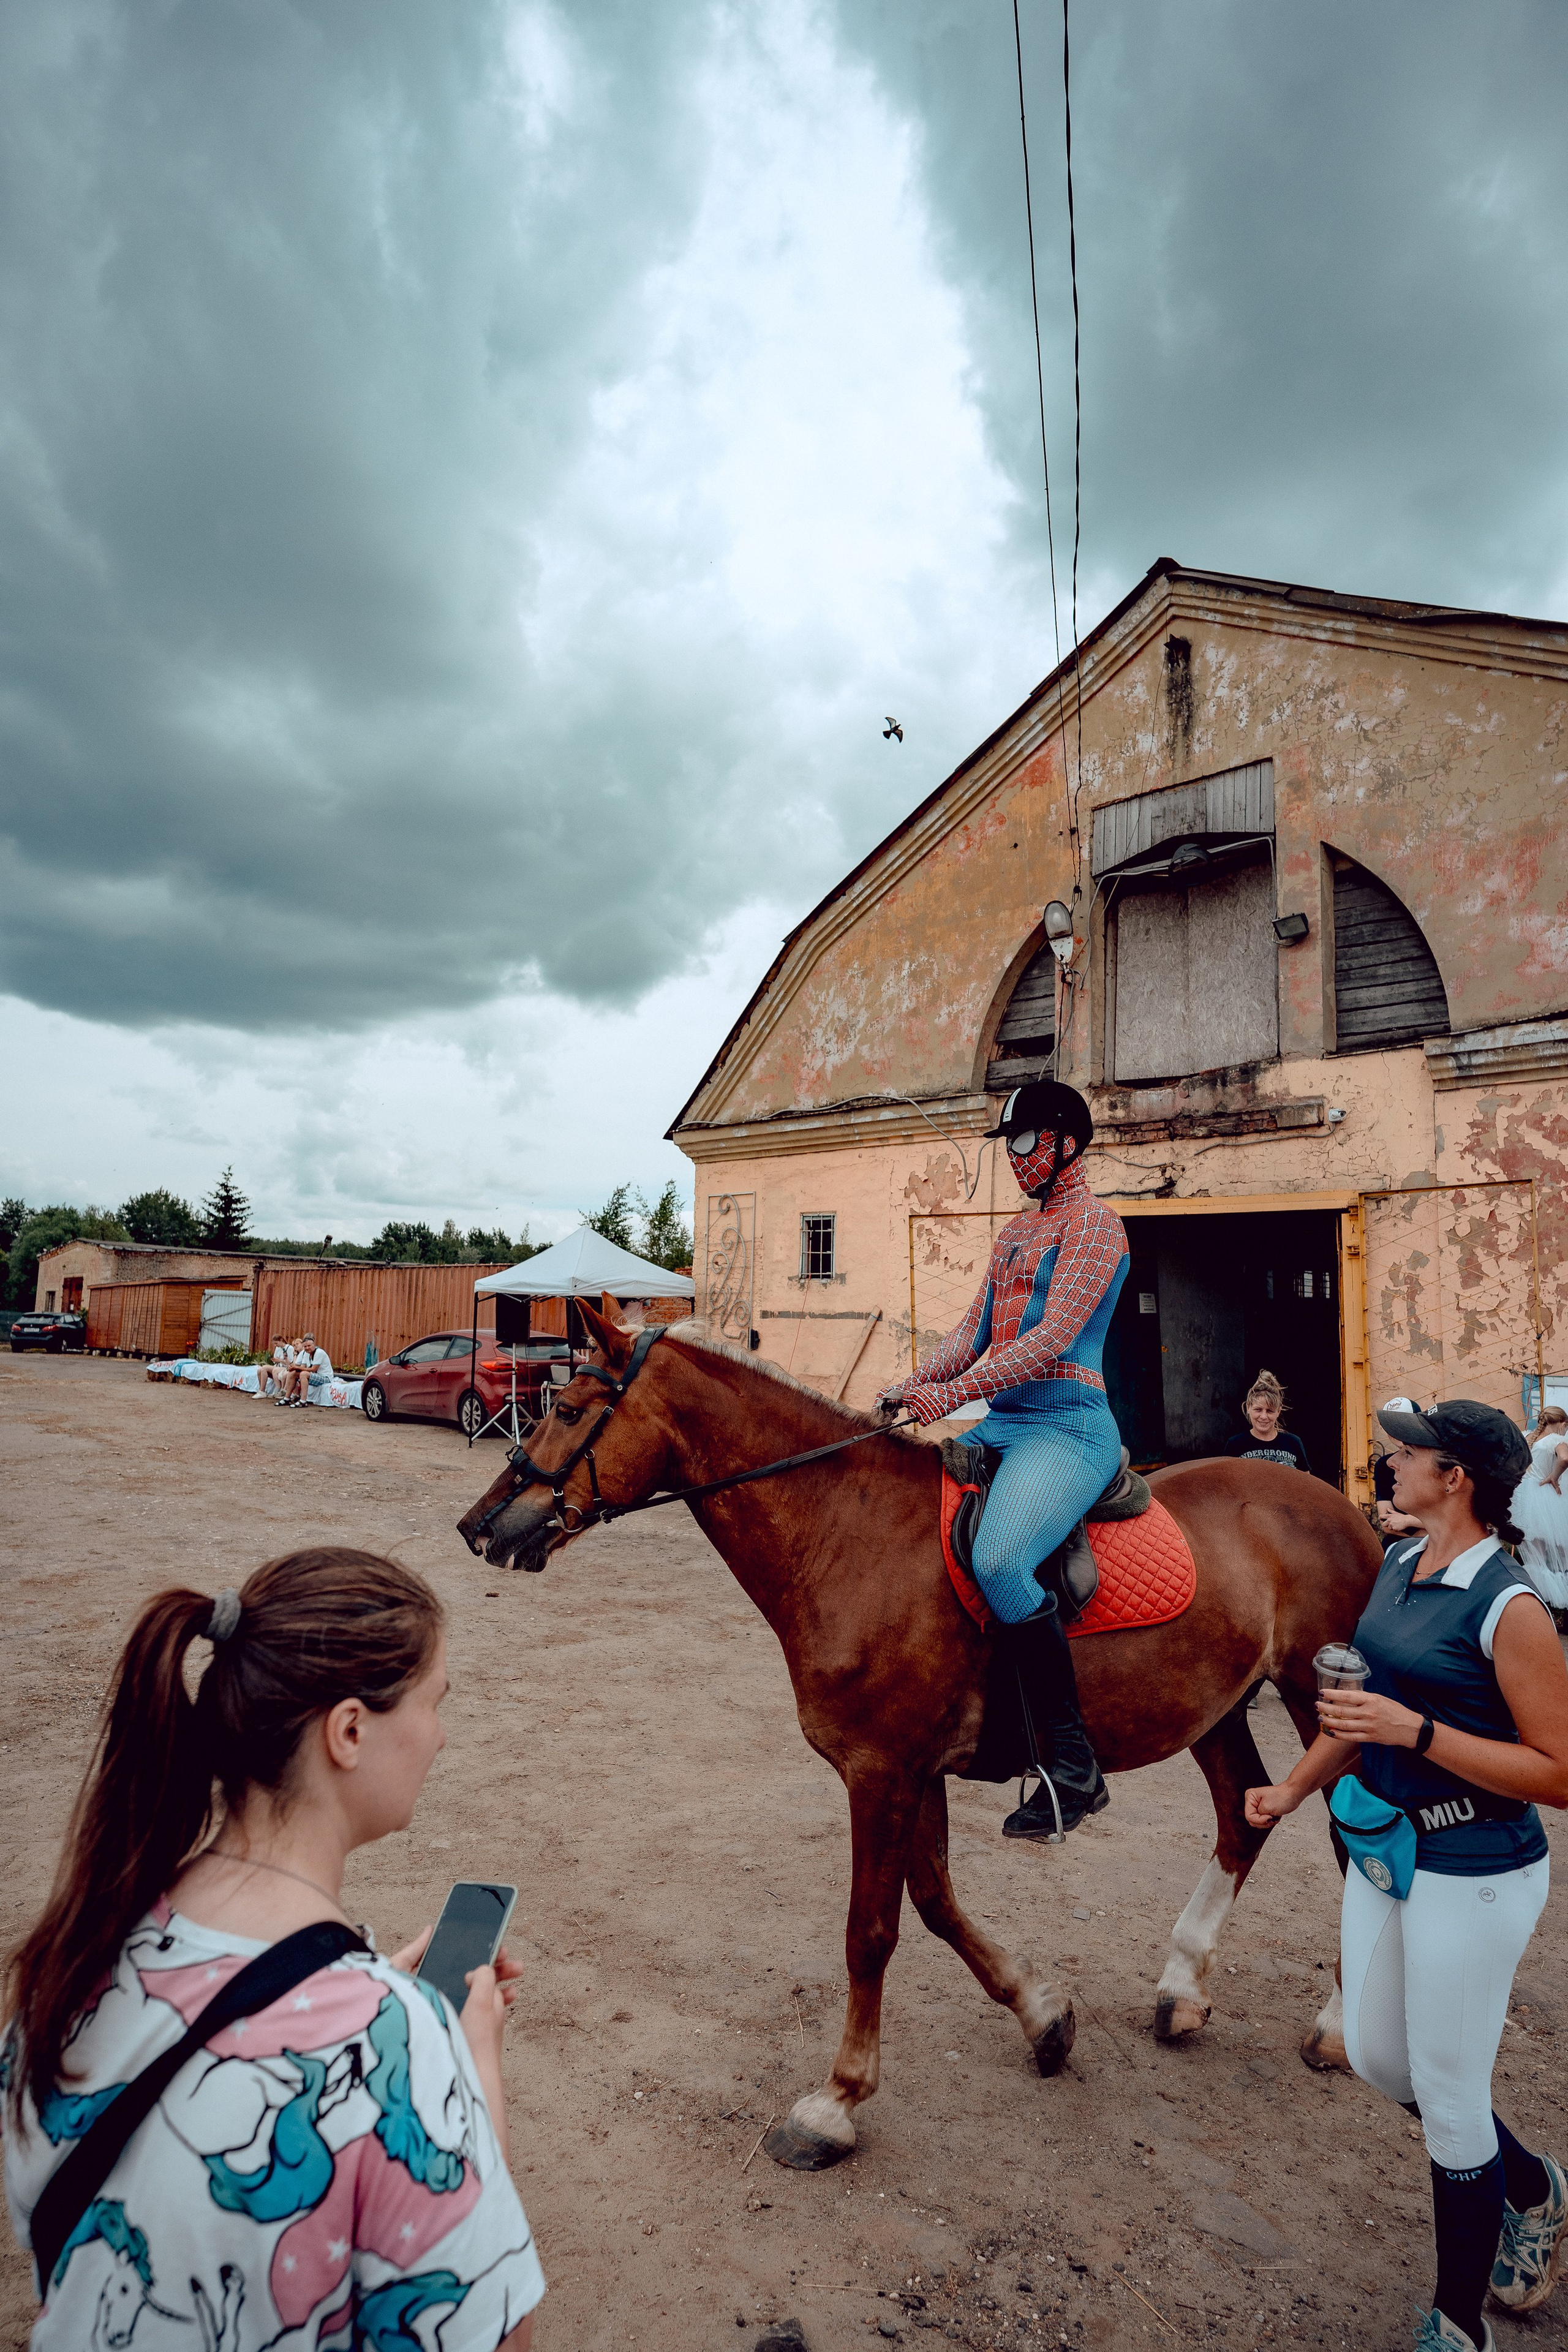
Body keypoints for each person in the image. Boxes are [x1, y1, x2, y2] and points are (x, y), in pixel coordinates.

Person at [2, 1548, 545, 2350]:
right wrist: (473, 2075)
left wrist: (334, 1998)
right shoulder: (397, 2042)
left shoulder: (77, 1953)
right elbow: (494, 2333)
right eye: (434, 1703)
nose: (439, 1737)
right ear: (350, 1731)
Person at [1245, 1400, 1568, 2352]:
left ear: (1455, 1476)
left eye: (1407, 1453)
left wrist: (1419, 1734)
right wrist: (1294, 1789)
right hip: (1388, 1852)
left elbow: (1558, 1773)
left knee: (1453, 2094)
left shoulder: (1509, 1606)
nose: (1390, 1464)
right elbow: (1363, 1708)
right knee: (1385, 2060)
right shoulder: (1397, 1564)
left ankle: (1457, 2326)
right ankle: (1533, 2185)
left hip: (1475, 1869)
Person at [876, 1078, 1129, 1838]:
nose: (1015, 1159)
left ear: (1063, 1144)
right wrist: (917, 1382)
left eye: (1022, 1142)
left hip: (1069, 1429)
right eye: (1011, 1146)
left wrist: (951, 1400)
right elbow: (971, 1336)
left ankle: (1072, 1765)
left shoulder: (1097, 1228)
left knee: (1000, 1560)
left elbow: (1048, 1341)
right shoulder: (1013, 1235)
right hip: (1003, 1423)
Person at [1513, 1405, 1568, 1609]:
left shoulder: (1529, 1439)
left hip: (1525, 1496)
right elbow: (1564, 1458)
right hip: (1546, 1495)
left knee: (1536, 1554)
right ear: (1563, 1424)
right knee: (1559, 1554)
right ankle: (1557, 1602)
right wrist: (1554, 1476)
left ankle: (1532, 1600)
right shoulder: (1556, 1439)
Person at [1221, 1369, 1312, 1472]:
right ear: (1248, 1408)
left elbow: (1306, 1484)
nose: (1264, 1417)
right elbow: (1227, 1485)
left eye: (1270, 1411)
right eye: (1258, 1410)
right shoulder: (1235, 1444)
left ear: (1278, 1412)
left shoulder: (1294, 1443)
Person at [296, 1330, 335, 1408]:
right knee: (293, 1373)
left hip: (325, 1377)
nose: (307, 1348)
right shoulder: (306, 1354)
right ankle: (288, 1398)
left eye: (309, 1346)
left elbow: (314, 1369)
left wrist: (297, 1367)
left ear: (314, 1345)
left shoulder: (319, 1352)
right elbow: (303, 1367)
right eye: (305, 1347)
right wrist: (294, 1369)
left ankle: (303, 1400)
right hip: (316, 1376)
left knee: (304, 1374)